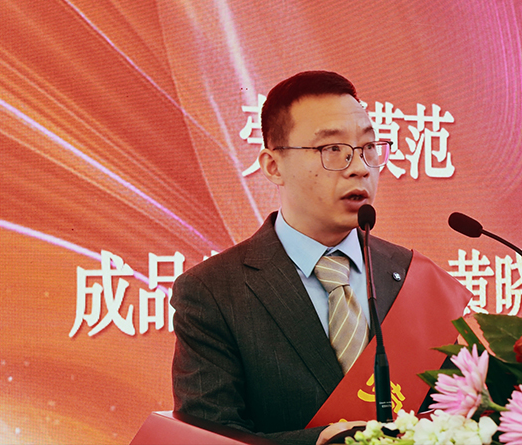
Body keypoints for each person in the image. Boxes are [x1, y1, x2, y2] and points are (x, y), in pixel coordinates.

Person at [170, 71, 414, 445]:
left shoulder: (410, 274)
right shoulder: (213, 292)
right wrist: (318, 442)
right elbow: (207, 438)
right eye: (332, 149)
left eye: (368, 147)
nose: (360, 167)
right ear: (273, 166)